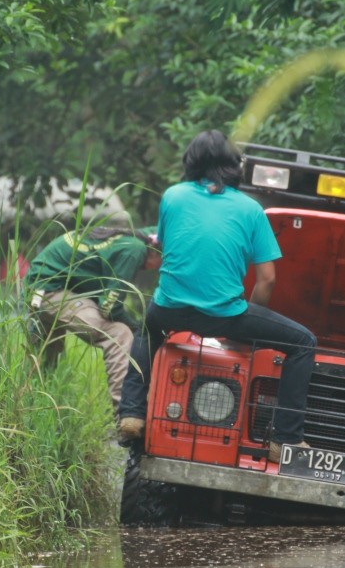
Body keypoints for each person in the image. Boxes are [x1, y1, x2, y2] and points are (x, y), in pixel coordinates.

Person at [116, 130, 317, 463]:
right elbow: (267, 279)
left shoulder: (173, 196)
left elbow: (169, 248)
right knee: (303, 342)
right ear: (234, 165)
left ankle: (132, 414)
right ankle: (285, 440)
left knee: (147, 330)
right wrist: (245, 322)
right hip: (225, 315)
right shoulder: (251, 210)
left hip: (169, 310)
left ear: (190, 161)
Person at [23, 225, 162, 415]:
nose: (158, 268)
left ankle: (27, 410)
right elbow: (110, 307)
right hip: (51, 291)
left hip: (42, 286)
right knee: (118, 333)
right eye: (162, 263)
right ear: (157, 251)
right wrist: (140, 329)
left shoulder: (133, 235)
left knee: (44, 365)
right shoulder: (135, 248)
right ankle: (126, 416)